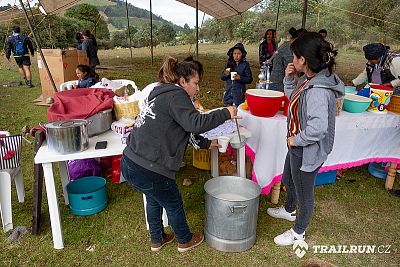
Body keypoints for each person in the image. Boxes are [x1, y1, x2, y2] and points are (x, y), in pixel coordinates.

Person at [121, 57, 238, 252]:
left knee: (153, 199)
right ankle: (185, 239)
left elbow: (186, 129)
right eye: (196, 83)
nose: (198, 89)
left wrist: (207, 143)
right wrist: (226, 112)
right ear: (182, 81)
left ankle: (157, 239)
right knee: (173, 203)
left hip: (131, 162)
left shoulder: (161, 94)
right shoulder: (177, 96)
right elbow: (195, 123)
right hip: (150, 167)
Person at [267, 32, 345, 246]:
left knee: (305, 192)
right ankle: (289, 210)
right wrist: (289, 79)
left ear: (303, 60)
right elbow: (294, 100)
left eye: (294, 56)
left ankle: (298, 232)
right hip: (297, 144)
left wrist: (295, 141)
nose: (291, 60)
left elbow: (318, 128)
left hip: (305, 148)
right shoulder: (308, 79)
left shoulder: (318, 90)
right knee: (289, 178)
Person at [269, 27, 307, 91]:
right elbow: (292, 73)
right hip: (279, 85)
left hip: (277, 83)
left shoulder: (285, 45)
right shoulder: (289, 50)